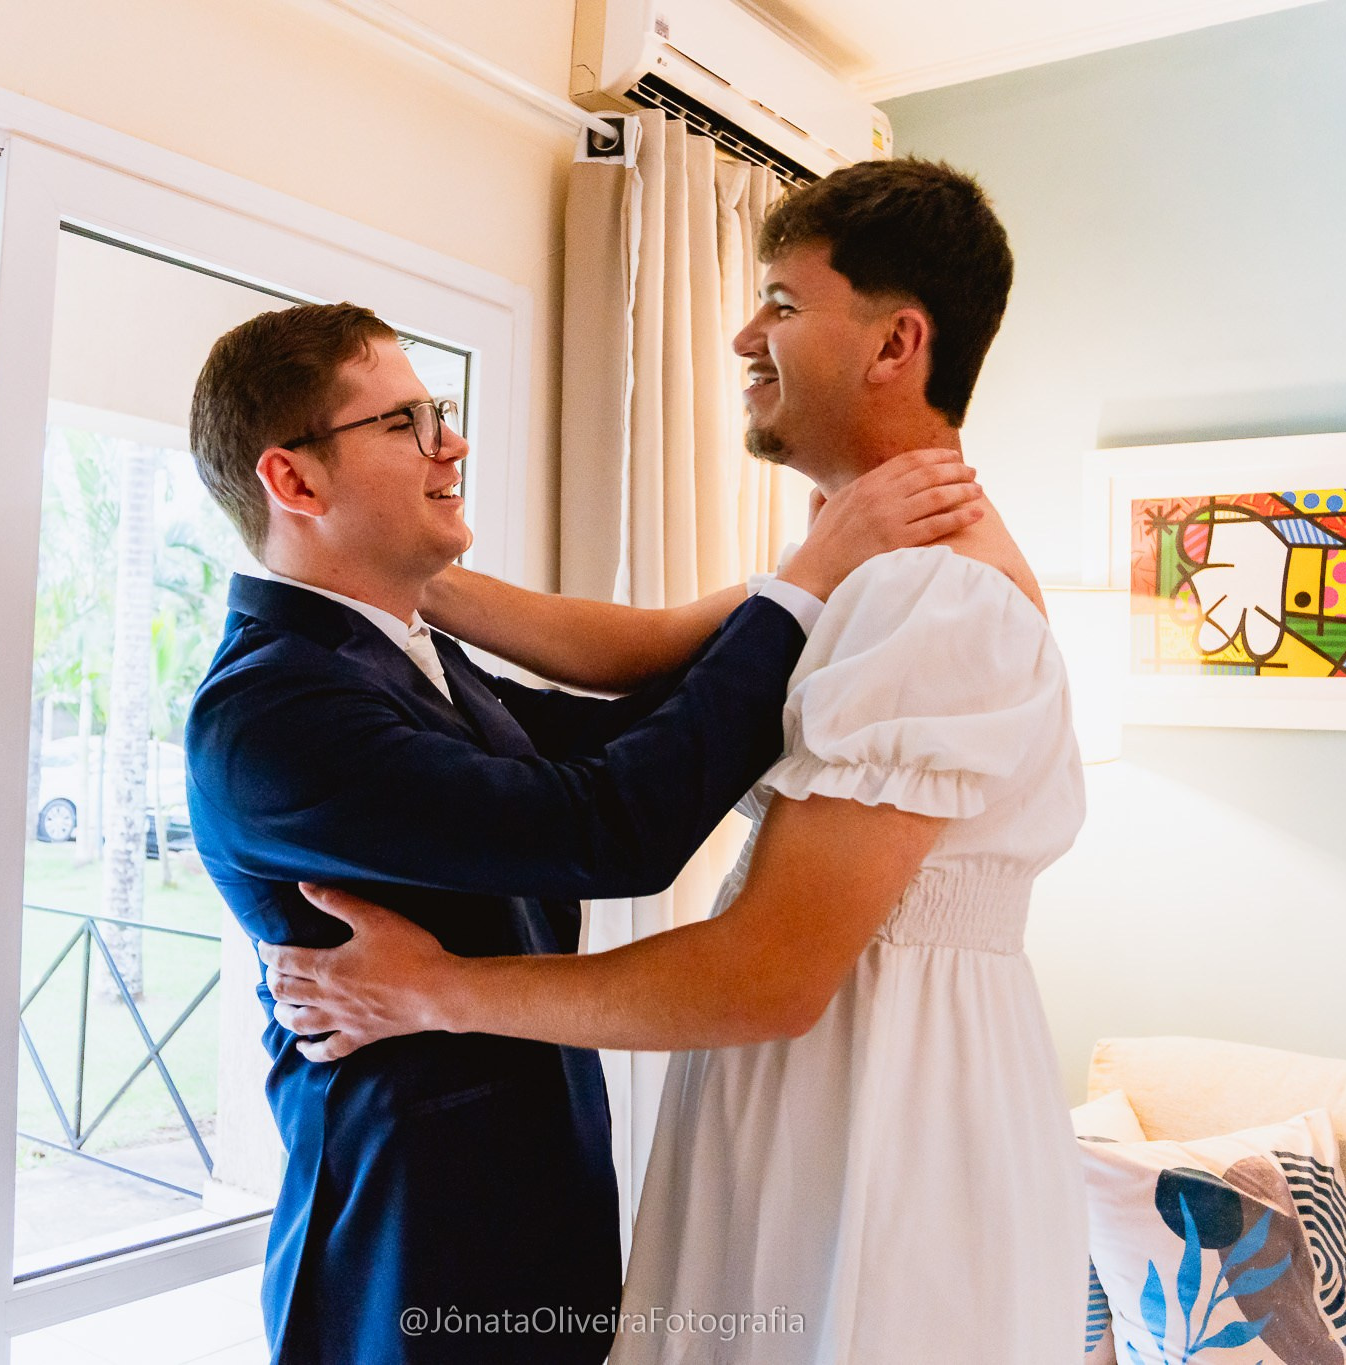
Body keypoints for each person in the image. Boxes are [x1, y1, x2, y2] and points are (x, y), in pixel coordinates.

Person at [260, 157, 1091, 1364]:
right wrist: (378, 563)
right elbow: (644, 655)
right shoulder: (864, 553)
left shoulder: (931, 592)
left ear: (893, 343)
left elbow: (768, 978)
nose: (746, 335)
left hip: (880, 1102)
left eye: (784, 305)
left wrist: (429, 993)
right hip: (819, 1080)